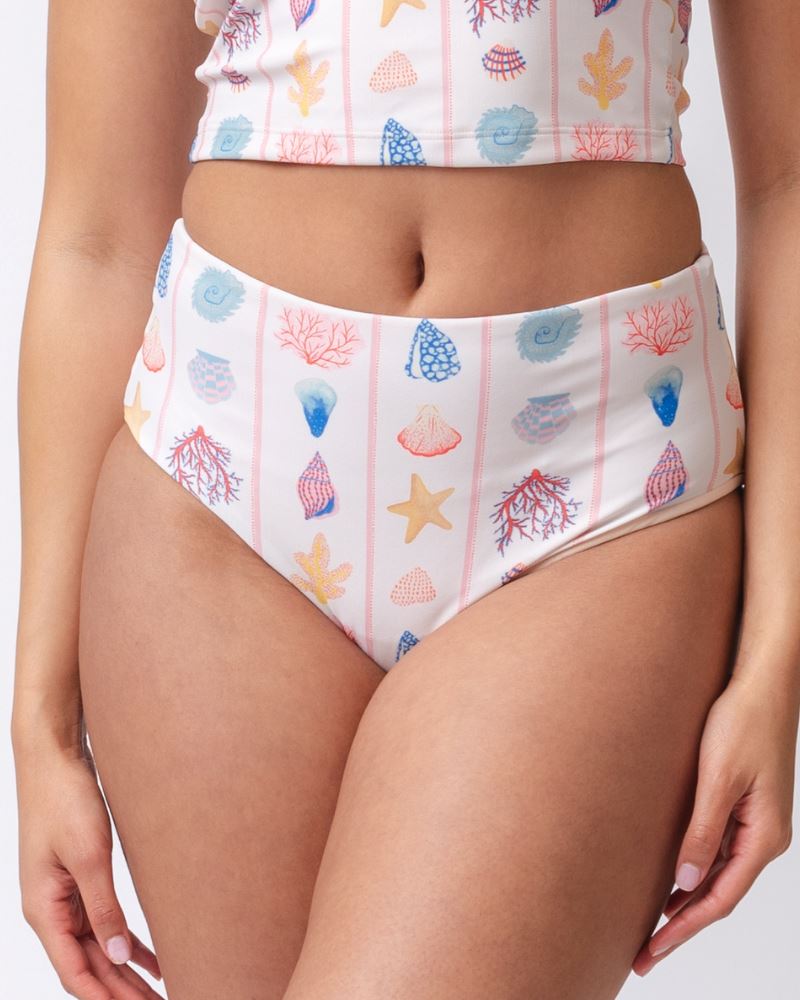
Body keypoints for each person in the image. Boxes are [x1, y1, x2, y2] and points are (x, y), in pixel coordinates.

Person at [11, 2, 799, 997]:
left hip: (597, 489)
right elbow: (97, 235)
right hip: (220, 477)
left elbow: (787, 188)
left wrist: (775, 658)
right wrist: (39, 724)